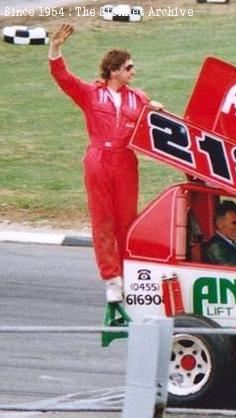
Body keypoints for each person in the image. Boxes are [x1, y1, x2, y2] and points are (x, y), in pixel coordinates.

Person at [48, 24, 163, 303]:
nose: (133, 71)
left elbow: (151, 122)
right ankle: (112, 279)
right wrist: (55, 48)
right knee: (103, 221)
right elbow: (63, 78)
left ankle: (127, 273)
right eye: (128, 67)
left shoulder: (138, 97)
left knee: (127, 220)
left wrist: (156, 109)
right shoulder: (90, 94)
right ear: (114, 71)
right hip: (99, 160)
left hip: (125, 160)